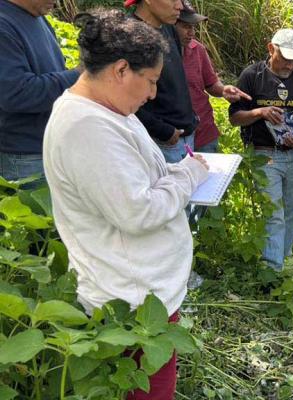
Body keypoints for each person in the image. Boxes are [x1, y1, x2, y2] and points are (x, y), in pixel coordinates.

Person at [42, 10, 209, 399]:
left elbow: (143, 177)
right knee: (147, 388)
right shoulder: (87, 128)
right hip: (131, 298)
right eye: (150, 81)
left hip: (147, 288)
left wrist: (176, 172)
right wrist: (188, 175)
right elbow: (138, 211)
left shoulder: (112, 110)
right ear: (120, 70)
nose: (152, 94)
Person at [229, 28, 293, 271]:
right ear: (271, 48)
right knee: (274, 214)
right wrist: (260, 112)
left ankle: (283, 257)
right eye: (285, 57)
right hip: (264, 154)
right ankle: (271, 270)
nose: (290, 64)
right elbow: (235, 118)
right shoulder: (252, 76)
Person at [0, 0, 80, 182]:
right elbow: (16, 93)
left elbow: (55, 71)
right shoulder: (3, 23)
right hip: (25, 157)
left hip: (48, 146)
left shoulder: (38, 18)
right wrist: (81, 74)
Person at [126, 0, 199, 164]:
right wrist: (162, 130)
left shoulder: (168, 27)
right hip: (161, 142)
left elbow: (175, 81)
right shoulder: (130, 36)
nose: (180, 6)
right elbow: (122, 98)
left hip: (185, 135)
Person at [175, 1, 249, 153]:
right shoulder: (160, 52)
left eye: (193, 27)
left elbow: (211, 84)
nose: (192, 33)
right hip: (174, 136)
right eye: (186, 27)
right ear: (170, 25)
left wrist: (224, 90)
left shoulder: (197, 49)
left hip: (204, 131)